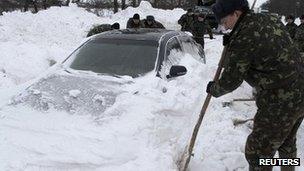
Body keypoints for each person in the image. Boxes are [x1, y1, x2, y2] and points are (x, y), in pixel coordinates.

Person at [207, 0, 304, 171]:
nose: (224, 26)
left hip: (281, 100)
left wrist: (214, 88)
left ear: (236, 13)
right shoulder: (268, 19)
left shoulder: (244, 36)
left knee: (258, 154)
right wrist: (233, 42)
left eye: (224, 21)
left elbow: (231, 80)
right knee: (286, 144)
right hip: (300, 89)